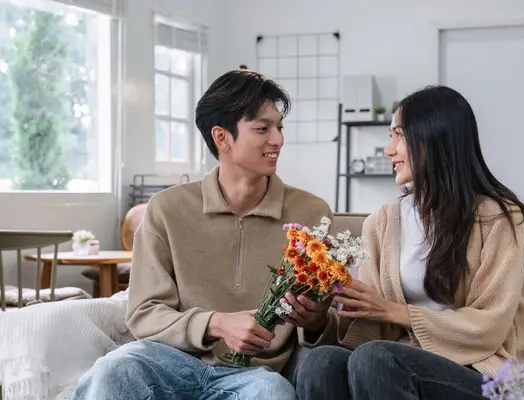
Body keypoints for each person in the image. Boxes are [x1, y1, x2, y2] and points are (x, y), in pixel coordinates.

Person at [73, 70, 334, 400]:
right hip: (169, 362)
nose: (278, 139)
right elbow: (143, 312)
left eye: (279, 127)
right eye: (262, 128)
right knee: (113, 370)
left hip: (254, 374)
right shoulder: (167, 208)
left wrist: (315, 320)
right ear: (222, 137)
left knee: (272, 393)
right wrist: (216, 324)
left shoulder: (312, 215)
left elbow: (326, 322)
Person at [295, 85, 524, 400]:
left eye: (399, 135)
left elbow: (490, 327)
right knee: (320, 362)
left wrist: (396, 312)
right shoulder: (382, 223)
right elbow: (369, 329)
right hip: (393, 364)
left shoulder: (498, 218)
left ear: (434, 137)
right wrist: (318, 320)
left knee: (378, 358)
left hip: (482, 373)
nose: (389, 149)